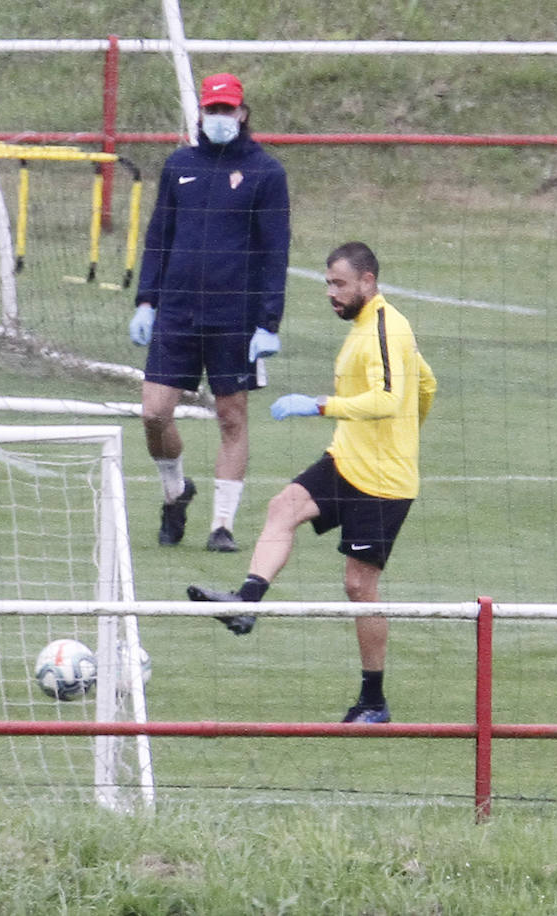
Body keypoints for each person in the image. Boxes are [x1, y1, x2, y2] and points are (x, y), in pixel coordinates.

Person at [188, 241, 438, 724]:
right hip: (347, 460)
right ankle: (245, 603)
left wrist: (323, 406)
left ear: (368, 282)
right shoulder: (366, 328)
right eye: (328, 283)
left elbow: (389, 398)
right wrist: (406, 428)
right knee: (283, 506)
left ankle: (373, 703)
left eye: (339, 284)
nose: (331, 293)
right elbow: (426, 386)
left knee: (359, 588)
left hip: (383, 481)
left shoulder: (390, 327)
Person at [129, 72, 290, 555]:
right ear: (201, 113)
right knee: (154, 413)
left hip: (234, 319)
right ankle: (175, 492)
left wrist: (268, 322)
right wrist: (146, 301)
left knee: (231, 416)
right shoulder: (179, 165)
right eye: (212, 110)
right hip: (177, 312)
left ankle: (222, 525)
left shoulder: (266, 173)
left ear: (243, 113)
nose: (219, 118)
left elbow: (274, 251)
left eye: (227, 110)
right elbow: (159, 235)